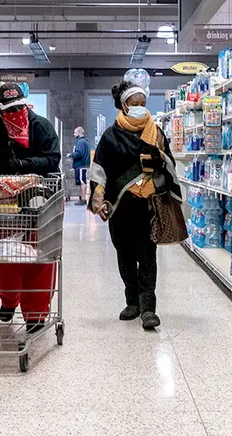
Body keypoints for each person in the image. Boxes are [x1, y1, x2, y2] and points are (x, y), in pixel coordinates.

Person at [0, 83, 61, 332]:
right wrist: (0, 166)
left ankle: (36, 315)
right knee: (4, 259)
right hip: (0, 206)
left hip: (39, 204)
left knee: (41, 259)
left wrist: (23, 164)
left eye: (19, 107)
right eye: (9, 110)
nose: (15, 113)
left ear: (25, 104)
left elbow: (53, 158)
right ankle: (9, 300)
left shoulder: (41, 127)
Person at [88, 81, 181, 330]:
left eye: (143, 104)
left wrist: (158, 159)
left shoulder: (156, 133)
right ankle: (132, 302)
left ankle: (149, 307)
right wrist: (98, 199)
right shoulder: (110, 136)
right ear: (124, 105)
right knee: (124, 255)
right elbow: (99, 170)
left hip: (148, 205)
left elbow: (170, 165)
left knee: (148, 256)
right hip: (121, 206)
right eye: (135, 104)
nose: (140, 108)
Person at [69, 126, 90, 205]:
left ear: (79, 132)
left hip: (81, 165)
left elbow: (79, 153)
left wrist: (71, 155)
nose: (74, 134)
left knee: (82, 181)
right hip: (83, 164)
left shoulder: (80, 142)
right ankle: (82, 198)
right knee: (82, 181)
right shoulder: (85, 141)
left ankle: (83, 199)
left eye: (75, 132)